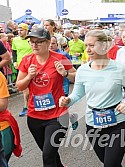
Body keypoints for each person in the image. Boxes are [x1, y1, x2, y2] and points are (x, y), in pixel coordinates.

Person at [59, 30, 125, 167]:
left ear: (104, 46)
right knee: (109, 162)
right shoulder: (82, 70)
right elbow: (77, 94)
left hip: (119, 123)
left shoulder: (120, 69)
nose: (87, 49)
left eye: (92, 45)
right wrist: (67, 100)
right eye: (87, 45)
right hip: (93, 124)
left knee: (110, 164)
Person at [16, 28, 76, 167]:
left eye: (39, 42)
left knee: (47, 155)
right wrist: (29, 77)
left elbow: (77, 76)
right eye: (32, 42)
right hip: (35, 116)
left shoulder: (60, 58)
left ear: (48, 42)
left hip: (58, 115)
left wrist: (65, 73)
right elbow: (19, 86)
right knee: (49, 152)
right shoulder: (27, 60)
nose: (34, 45)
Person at [49, 36, 79, 130]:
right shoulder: (44, 55)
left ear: (57, 44)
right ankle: (70, 117)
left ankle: (63, 125)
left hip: (63, 86)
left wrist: (64, 74)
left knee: (62, 106)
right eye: (49, 43)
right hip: (50, 88)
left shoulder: (63, 55)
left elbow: (72, 71)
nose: (51, 45)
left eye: (53, 43)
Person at [12, 23, 33, 117]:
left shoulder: (31, 39)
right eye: (18, 30)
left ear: (26, 30)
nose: (19, 32)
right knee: (25, 89)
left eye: (22, 30)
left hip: (32, 66)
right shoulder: (15, 40)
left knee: (33, 87)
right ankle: (26, 106)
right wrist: (15, 61)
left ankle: (31, 106)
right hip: (21, 67)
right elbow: (14, 51)